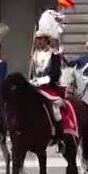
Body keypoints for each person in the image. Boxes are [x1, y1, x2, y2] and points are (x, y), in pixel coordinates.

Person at [29, 9, 66, 153]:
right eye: (37, 39)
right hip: (36, 87)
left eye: (41, 39)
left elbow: (55, 74)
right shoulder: (35, 54)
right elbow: (34, 72)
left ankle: (60, 137)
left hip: (49, 87)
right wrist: (32, 80)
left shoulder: (54, 55)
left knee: (56, 108)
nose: (38, 42)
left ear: (47, 40)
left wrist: (41, 81)